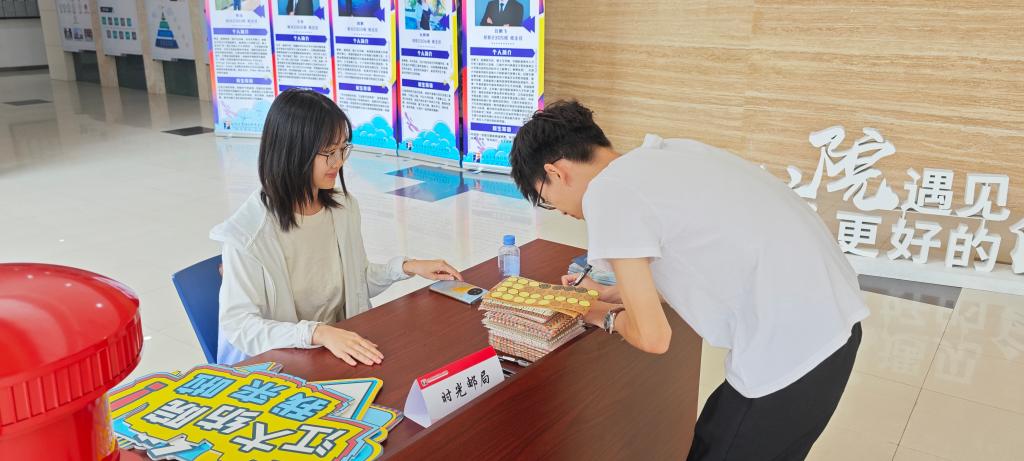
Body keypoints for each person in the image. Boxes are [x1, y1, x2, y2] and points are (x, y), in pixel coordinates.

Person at [508, 101, 868, 460]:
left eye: (547, 200)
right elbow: (703, 256)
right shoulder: (669, 153)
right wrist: (615, 293)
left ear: (555, 172)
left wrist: (591, 310)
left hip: (790, 353)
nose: (562, 212)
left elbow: (653, 337)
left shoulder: (607, 193)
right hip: (836, 325)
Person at [211, 89, 463, 366]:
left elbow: (356, 281)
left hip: (333, 351)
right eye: (329, 153)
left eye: (343, 149)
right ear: (292, 152)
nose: (340, 162)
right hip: (282, 364)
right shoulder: (248, 234)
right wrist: (317, 333)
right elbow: (240, 326)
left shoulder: (342, 208)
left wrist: (407, 267)